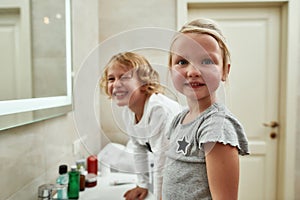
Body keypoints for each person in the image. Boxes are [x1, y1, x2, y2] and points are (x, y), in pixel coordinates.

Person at [161, 18, 249, 200]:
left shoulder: (217, 127)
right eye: (182, 62)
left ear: (225, 71)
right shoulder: (179, 119)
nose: (193, 71)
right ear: (171, 70)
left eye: (207, 61)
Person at [99, 52, 182, 200]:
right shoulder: (128, 112)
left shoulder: (159, 111)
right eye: (111, 79)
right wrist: (142, 184)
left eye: (124, 77)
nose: (116, 84)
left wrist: (160, 197)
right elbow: (139, 149)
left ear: (144, 84)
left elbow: (162, 162)